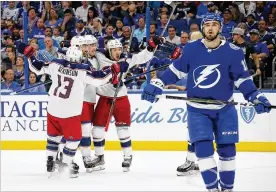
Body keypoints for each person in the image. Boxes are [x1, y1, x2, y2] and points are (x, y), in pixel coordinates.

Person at [141, 14, 271, 191]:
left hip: (225, 108)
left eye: (214, 25)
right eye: (207, 25)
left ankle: (227, 189)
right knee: (202, 150)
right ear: (202, 28)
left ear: (220, 27)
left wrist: (255, 96)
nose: (210, 28)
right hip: (197, 110)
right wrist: (157, 83)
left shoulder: (233, 51)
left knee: (228, 151)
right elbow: (175, 70)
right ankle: (212, 189)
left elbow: (243, 80)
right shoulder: (191, 49)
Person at [21, 44, 129, 178]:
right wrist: (115, 69)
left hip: (52, 109)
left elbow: (37, 68)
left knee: (53, 137)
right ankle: (65, 165)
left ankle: (50, 160)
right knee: (74, 139)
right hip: (70, 112)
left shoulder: (55, 64)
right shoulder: (81, 70)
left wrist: (29, 56)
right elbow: (99, 78)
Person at [90, 37, 174, 172]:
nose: (118, 52)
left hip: (121, 98)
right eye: (114, 50)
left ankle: (127, 156)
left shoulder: (126, 59)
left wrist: (151, 47)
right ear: (108, 50)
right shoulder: (100, 56)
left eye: (119, 49)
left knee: (122, 130)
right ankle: (99, 157)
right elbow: (90, 53)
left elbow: (142, 57)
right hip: (105, 98)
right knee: (97, 130)